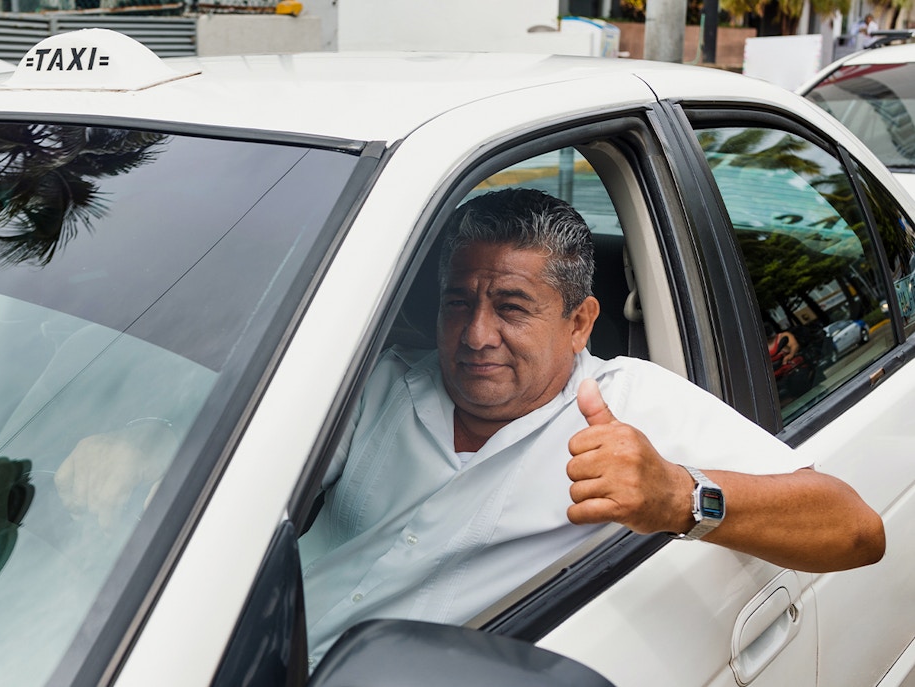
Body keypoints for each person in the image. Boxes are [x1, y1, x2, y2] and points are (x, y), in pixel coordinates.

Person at [56, 188, 885, 663]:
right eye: (461, 301)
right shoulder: (377, 386)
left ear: (582, 320)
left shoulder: (630, 404)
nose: (477, 332)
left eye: (513, 306)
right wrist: (143, 444)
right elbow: (242, 454)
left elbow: (856, 528)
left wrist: (677, 495)